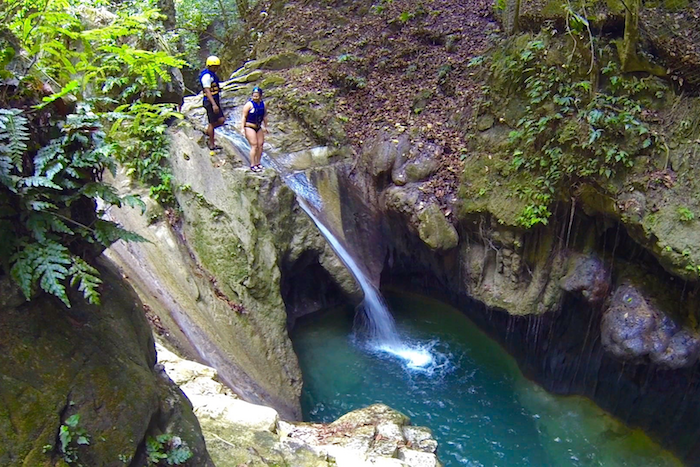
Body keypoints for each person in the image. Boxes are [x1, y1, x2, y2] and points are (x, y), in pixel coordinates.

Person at [199, 55, 225, 152]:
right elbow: (207, 90)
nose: (216, 68)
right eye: (215, 67)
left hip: (215, 100)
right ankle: (212, 144)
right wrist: (214, 104)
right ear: (209, 66)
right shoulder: (206, 76)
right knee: (212, 122)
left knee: (221, 120)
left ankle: (209, 131)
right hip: (210, 102)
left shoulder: (212, 75)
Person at [241, 86, 267, 172]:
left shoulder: (263, 104)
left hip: (258, 127)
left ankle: (258, 163)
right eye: (254, 95)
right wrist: (242, 128)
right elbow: (244, 117)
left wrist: (265, 127)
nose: (255, 97)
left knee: (260, 145)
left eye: (257, 95)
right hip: (249, 126)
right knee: (254, 145)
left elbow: (265, 116)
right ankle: (252, 164)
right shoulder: (249, 105)